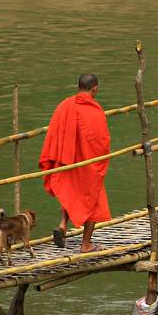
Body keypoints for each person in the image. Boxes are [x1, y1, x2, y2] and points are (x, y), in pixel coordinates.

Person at [39, 74, 111, 252]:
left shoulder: (65, 105)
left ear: (77, 86)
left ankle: (63, 223)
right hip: (87, 163)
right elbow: (101, 140)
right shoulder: (93, 109)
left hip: (68, 161)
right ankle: (86, 244)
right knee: (95, 200)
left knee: (71, 191)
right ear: (94, 88)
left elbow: (55, 133)